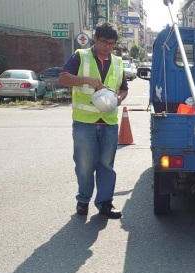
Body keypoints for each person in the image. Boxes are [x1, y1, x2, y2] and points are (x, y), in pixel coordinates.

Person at [59, 22, 128, 219]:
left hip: (109, 121)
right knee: (84, 164)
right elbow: (63, 78)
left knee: (106, 164)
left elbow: (124, 88)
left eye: (112, 43)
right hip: (85, 122)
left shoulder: (118, 62)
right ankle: (83, 200)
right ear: (95, 39)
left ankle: (105, 203)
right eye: (104, 42)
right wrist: (86, 80)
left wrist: (118, 99)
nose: (108, 47)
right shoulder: (81, 56)